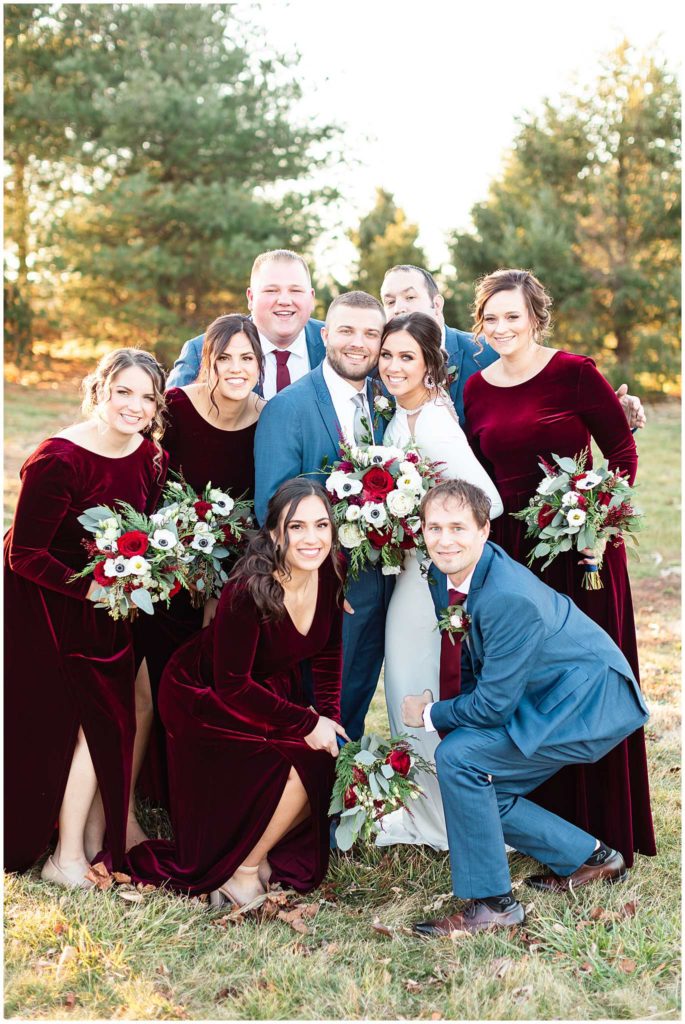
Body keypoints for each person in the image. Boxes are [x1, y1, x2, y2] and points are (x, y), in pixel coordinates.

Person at [462, 268, 655, 865]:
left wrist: (600, 523)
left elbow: (620, 450)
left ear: (536, 319)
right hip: (515, 554)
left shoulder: (574, 373)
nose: (501, 328)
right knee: (526, 678)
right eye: (491, 318)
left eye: (512, 317)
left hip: (580, 547)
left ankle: (605, 819)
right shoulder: (476, 389)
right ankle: (548, 821)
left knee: (585, 680)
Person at [402, 480, 649, 936]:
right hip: (545, 692)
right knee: (474, 781)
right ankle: (593, 858)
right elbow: (473, 655)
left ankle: (494, 905)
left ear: (484, 530)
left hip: (588, 702)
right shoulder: (446, 571)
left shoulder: (507, 597)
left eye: (457, 527)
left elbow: (493, 706)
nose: (444, 540)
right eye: (434, 528)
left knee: (459, 759)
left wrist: (431, 713)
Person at [126, 479, 347, 904]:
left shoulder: (331, 568)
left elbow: (328, 653)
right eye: (297, 527)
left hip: (265, 690)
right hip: (204, 695)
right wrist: (306, 722)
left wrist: (329, 718)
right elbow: (232, 684)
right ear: (276, 533)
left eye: (321, 525)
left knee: (325, 758)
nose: (312, 538)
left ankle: (252, 855)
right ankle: (242, 870)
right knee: (298, 760)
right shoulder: (248, 589)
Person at [4, 349, 169, 886]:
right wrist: (94, 588)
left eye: (147, 397)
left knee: (105, 719)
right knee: (66, 721)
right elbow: (24, 554)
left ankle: (88, 841)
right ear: (100, 390)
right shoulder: (59, 460)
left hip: (105, 604)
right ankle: (62, 855)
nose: (134, 406)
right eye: (123, 391)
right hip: (42, 600)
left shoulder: (150, 457)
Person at [373, 312, 503, 850]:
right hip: (407, 574)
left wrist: (426, 527)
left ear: (430, 363)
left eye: (407, 356)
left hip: (427, 577)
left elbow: (488, 501)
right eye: (387, 355)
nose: (393, 366)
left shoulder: (432, 423)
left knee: (419, 686)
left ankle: (442, 821)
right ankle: (423, 809)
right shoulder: (401, 416)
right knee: (407, 686)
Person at [137, 314, 265, 804]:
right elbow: (142, 485)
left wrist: (219, 590)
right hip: (161, 572)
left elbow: (257, 513)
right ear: (206, 362)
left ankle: (188, 796)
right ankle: (134, 796)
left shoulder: (267, 418)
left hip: (225, 580)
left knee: (202, 686)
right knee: (146, 687)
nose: (236, 368)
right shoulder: (174, 409)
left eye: (247, 358)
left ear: (259, 364)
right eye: (224, 358)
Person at [254, 291, 393, 741]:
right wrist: (323, 584)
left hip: (380, 590)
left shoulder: (386, 401)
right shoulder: (288, 408)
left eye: (370, 333)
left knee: (353, 712)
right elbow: (272, 508)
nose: (358, 343)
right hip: (320, 596)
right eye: (347, 330)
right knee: (315, 719)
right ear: (326, 334)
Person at [379, 263, 647, 431]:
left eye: (410, 297)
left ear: (436, 304)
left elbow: (552, 397)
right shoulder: (381, 369)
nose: (399, 307)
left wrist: (612, 411)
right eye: (389, 301)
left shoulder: (489, 351)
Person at [167, 249, 325, 394]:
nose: (284, 300)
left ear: (311, 298)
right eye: (271, 290)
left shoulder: (333, 344)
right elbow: (169, 413)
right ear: (251, 298)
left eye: (295, 290)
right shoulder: (202, 350)